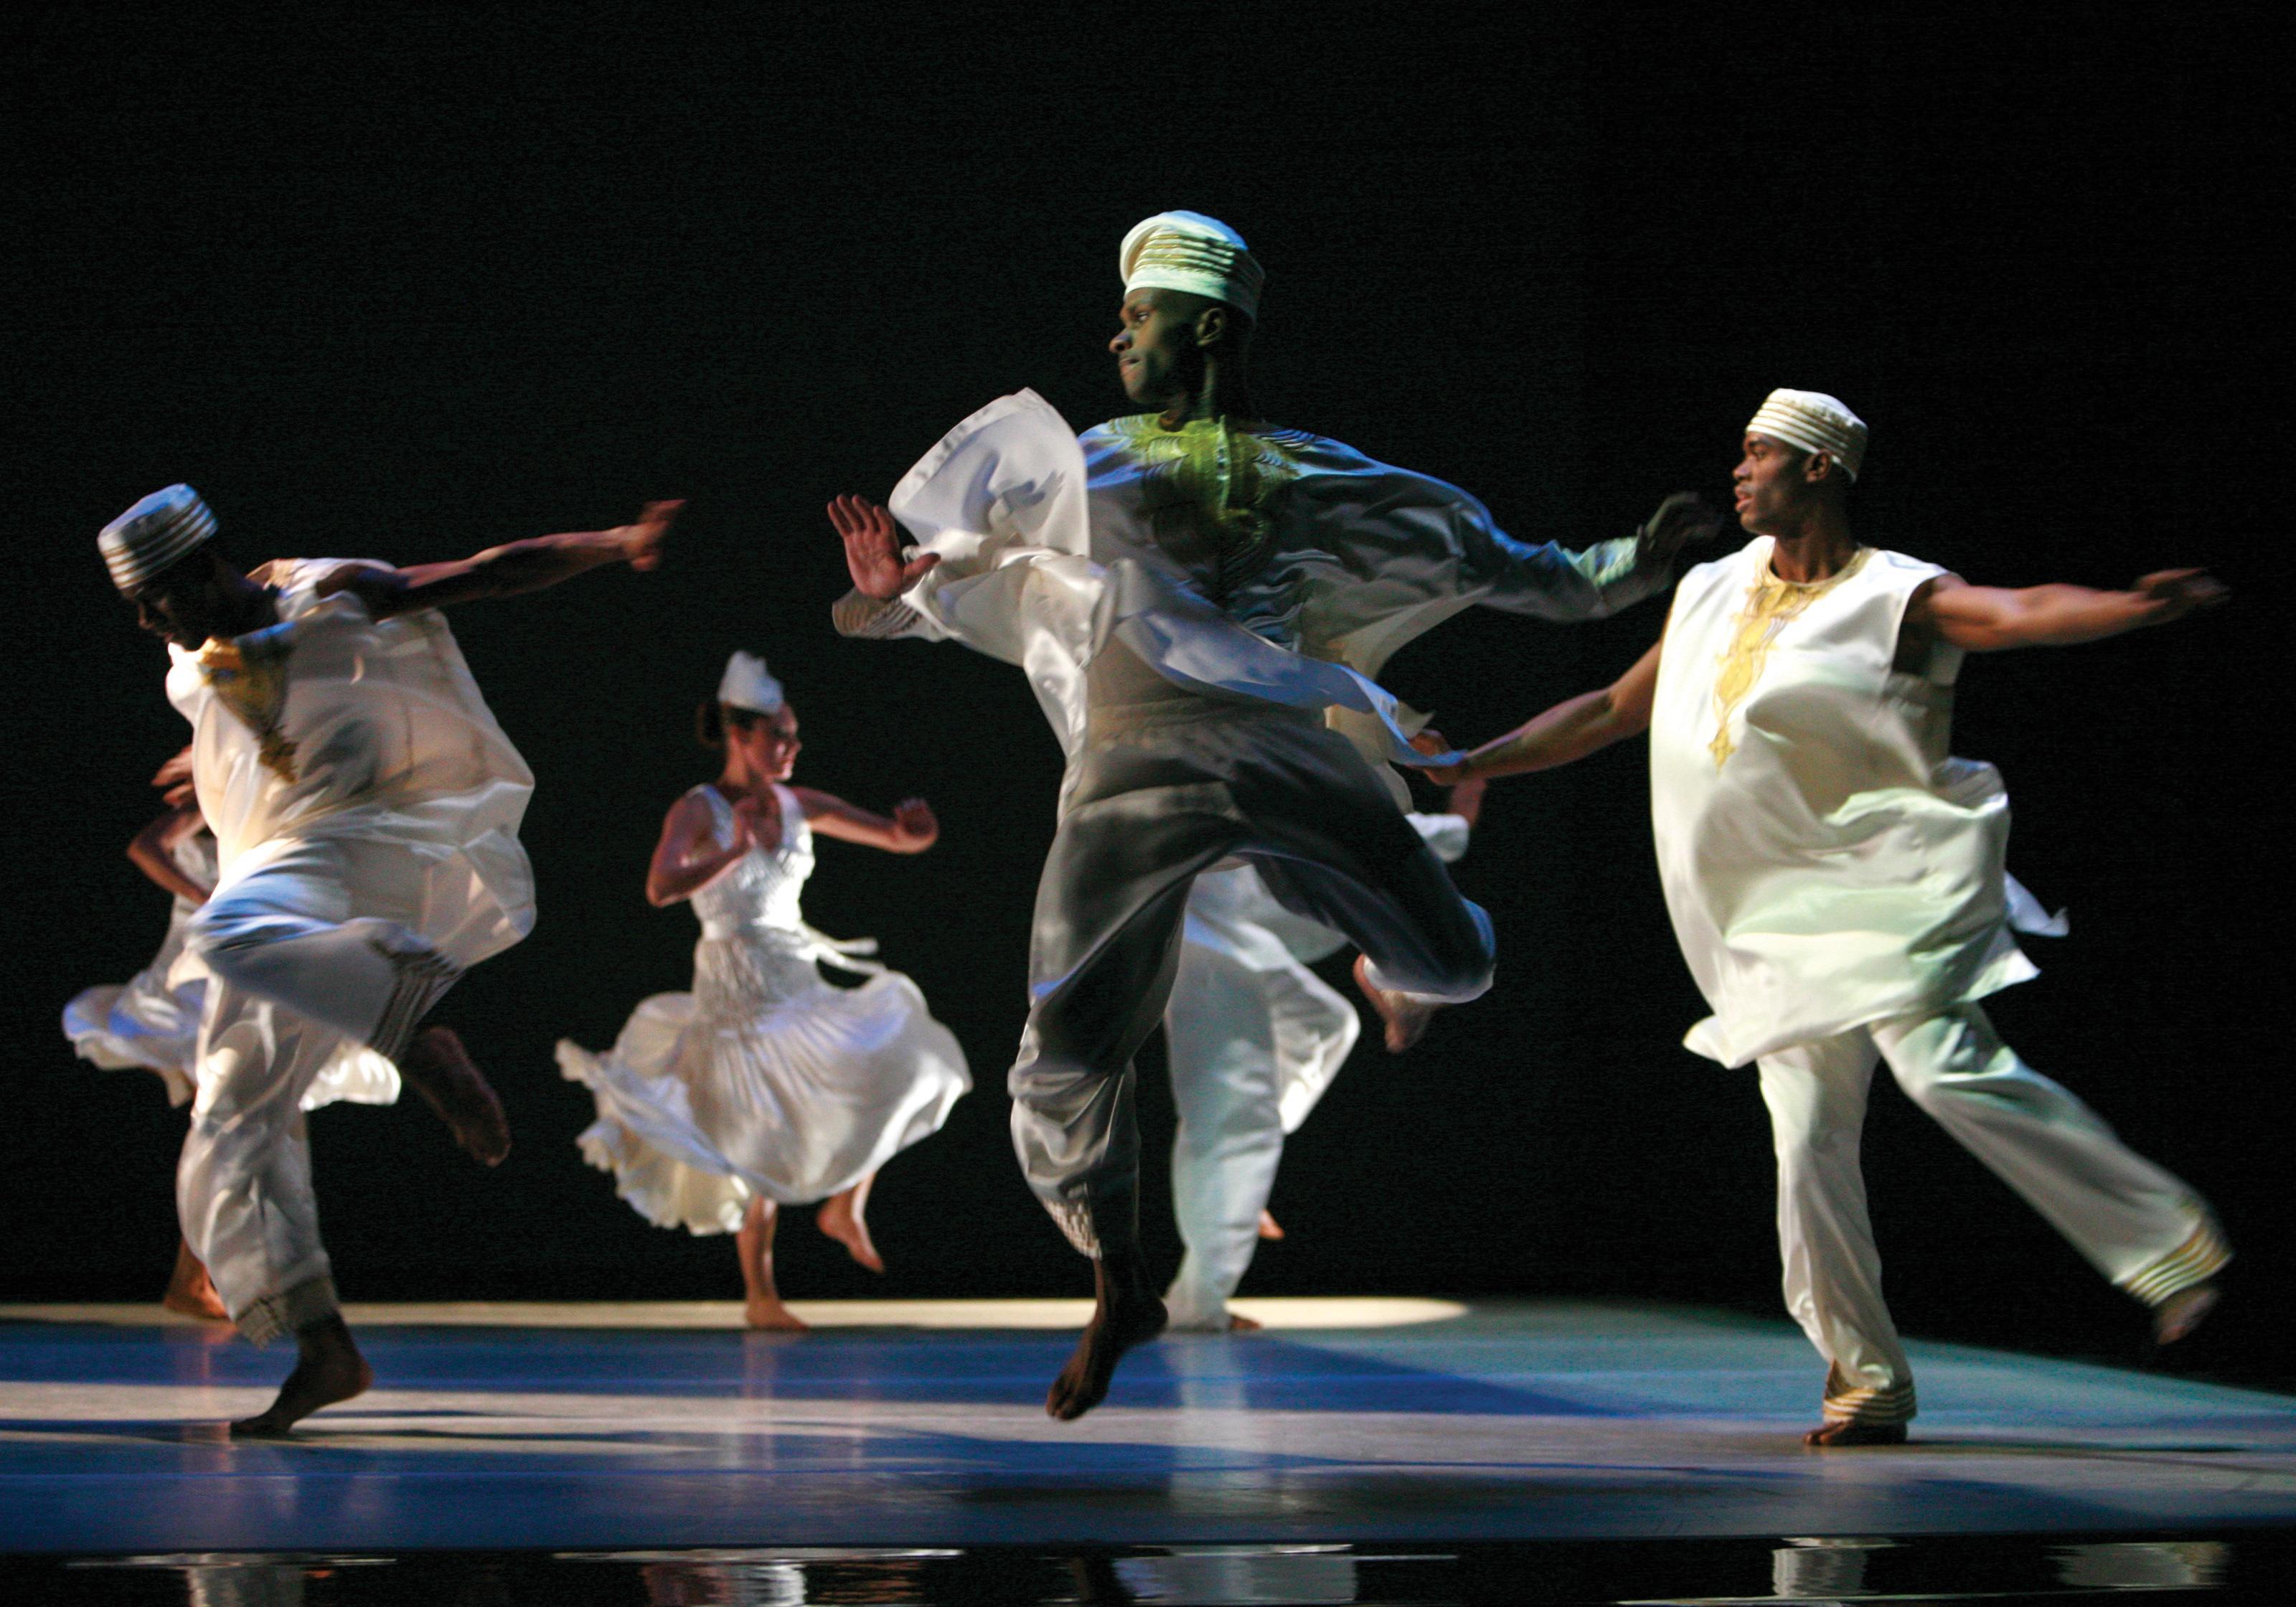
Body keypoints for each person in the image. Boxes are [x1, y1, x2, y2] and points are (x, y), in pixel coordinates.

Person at [825, 211, 1708, 1417]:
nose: (1117, 334)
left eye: (1139, 315)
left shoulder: (1326, 475)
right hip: (1135, 758)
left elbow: (1510, 562)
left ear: (1207, 324)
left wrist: (1633, 567)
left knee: (1452, 963)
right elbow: (979, 573)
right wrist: (893, 598)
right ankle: (1122, 1278)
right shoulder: (1083, 464)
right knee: (1066, 1047)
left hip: (1289, 742)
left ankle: (1398, 970)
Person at [1417, 390, 2229, 1444]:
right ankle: (1866, 1378)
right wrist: (1475, 761)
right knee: (1804, 1145)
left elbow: (2016, 615)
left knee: (1944, 1068)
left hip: (1889, 896)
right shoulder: (1710, 590)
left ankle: (2172, 1244)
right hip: (1764, 923)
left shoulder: (1895, 594)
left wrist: (2138, 608)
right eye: (1742, 453)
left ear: (1823, 469)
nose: (1740, 471)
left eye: (1760, 454)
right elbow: (1617, 711)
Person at [100, 481, 679, 1436]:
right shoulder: (193, 661)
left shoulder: (329, 596)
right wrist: (210, 761)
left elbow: (492, 572)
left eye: (155, 598)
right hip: (295, 884)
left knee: (226, 934)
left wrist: (619, 541)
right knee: (231, 1116)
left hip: (365, 846)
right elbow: (256, 722)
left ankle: (413, 1026)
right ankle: (325, 1347)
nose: (145, 620)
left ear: (205, 570)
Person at [557, 652, 970, 1329]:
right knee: (762, 1136)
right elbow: (660, 888)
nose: (792, 748)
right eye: (780, 735)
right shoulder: (699, 809)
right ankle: (761, 1295)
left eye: (793, 735)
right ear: (739, 736)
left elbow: (893, 836)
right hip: (736, 998)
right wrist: (727, 854)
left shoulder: (797, 803)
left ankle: (842, 1206)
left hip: (794, 982)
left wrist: (914, 837)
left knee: (907, 1046)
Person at [65, 750, 400, 1320]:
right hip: (206, 979)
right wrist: (209, 900)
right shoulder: (225, 794)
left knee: (258, 1122)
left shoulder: (289, 806)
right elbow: (147, 847)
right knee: (236, 1121)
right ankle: (209, 1277)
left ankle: (213, 1276)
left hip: (258, 974)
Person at [1164, 782, 1482, 1332]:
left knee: (1326, 1025)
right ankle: (1198, 1303)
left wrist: (1459, 811)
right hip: (1186, 931)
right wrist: (1463, 807)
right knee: (1231, 1113)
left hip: (1228, 928)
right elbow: (1388, 834)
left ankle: (1245, 1183)